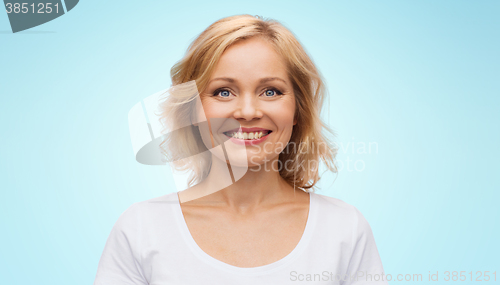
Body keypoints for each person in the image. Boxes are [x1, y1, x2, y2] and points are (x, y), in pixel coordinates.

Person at [94, 14, 388, 284]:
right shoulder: (141, 229)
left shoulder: (344, 229)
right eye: (223, 92)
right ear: (192, 111)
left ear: (298, 109)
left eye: (270, 91)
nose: (248, 111)